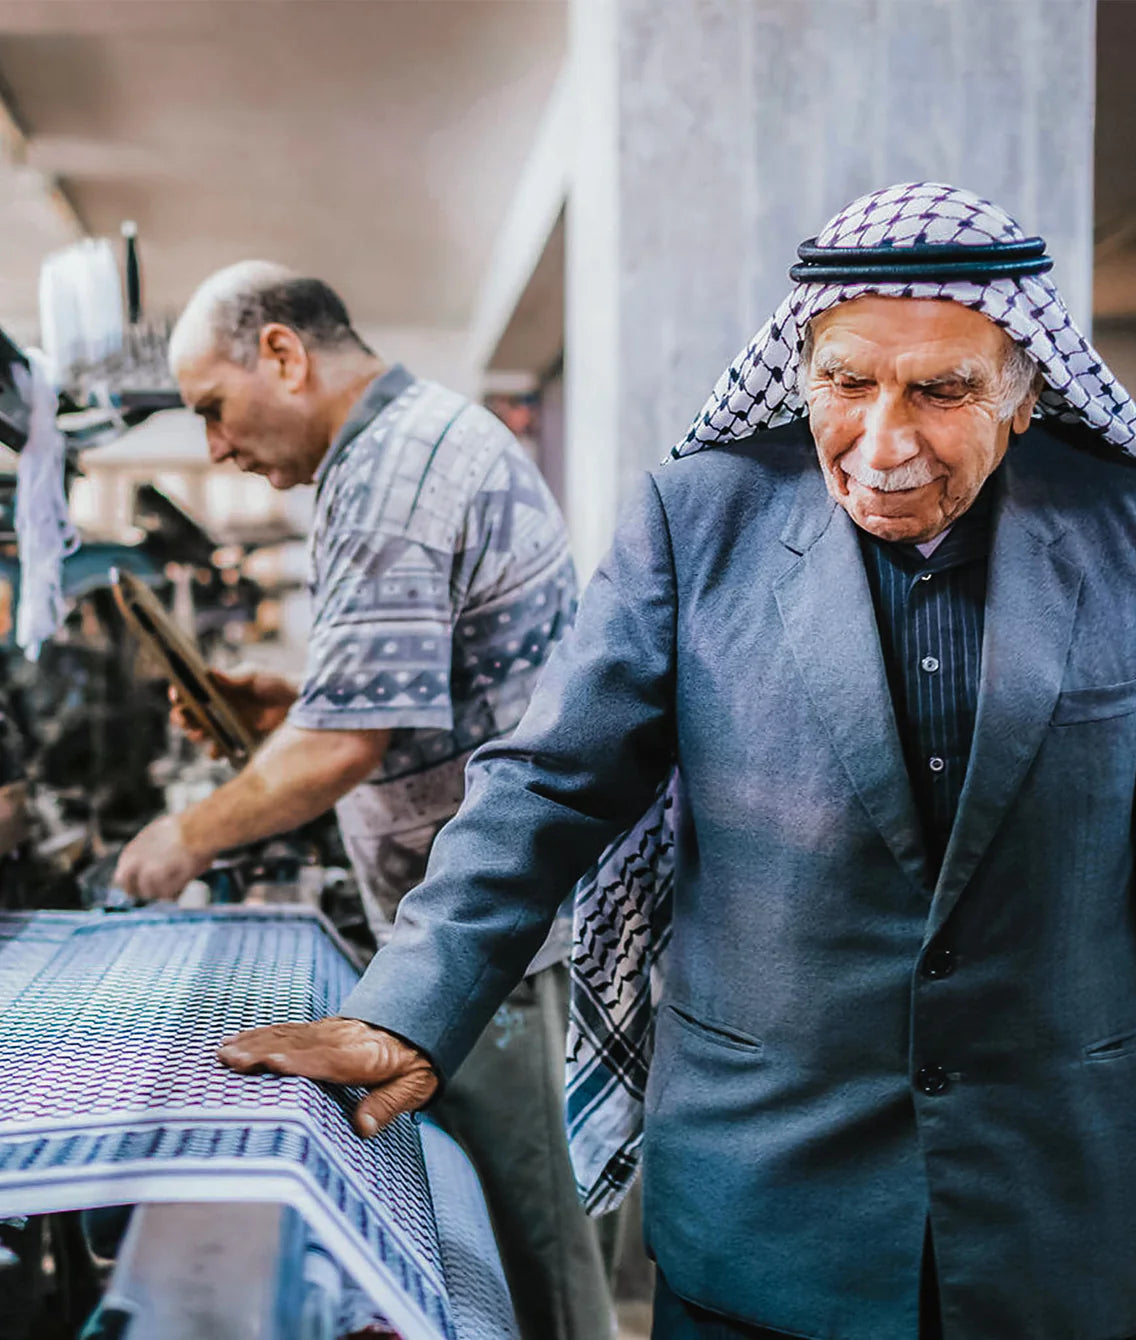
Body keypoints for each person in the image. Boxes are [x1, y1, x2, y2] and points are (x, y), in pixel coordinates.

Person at [218, 186, 1136, 1340]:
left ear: (1023, 394)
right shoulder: (698, 516)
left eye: (942, 388)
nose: (882, 440)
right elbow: (549, 782)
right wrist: (410, 1009)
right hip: (763, 1193)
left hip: (1054, 1199)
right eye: (846, 381)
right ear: (800, 368)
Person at [113, 262, 615, 1340]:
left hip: (495, 939)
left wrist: (178, 837)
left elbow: (345, 745)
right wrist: (287, 706)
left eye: (211, 408)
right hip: (483, 926)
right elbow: (410, 700)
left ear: (283, 355)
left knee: (530, 1249)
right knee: (496, 1232)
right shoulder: (410, 441)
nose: (214, 447)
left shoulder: (388, 471)